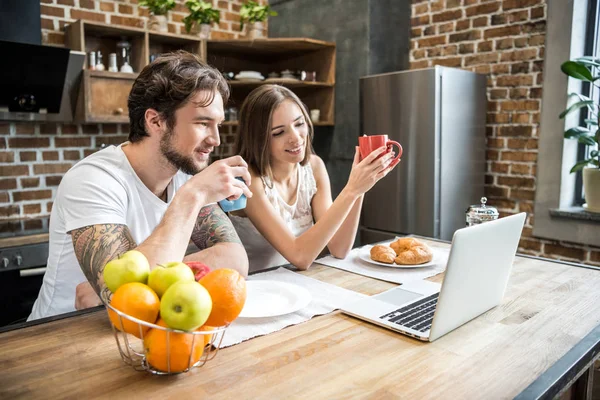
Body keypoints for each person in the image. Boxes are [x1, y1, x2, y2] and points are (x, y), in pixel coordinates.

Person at [28, 51, 252, 320]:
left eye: (217, 124)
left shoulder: (183, 176)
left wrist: (125, 286)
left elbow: (236, 262)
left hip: (137, 333)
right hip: (60, 336)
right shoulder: (93, 179)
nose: (215, 139)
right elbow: (123, 302)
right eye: (203, 123)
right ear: (155, 121)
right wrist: (194, 194)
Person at [230, 85, 398, 273]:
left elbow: (339, 247)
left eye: (299, 124)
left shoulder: (314, 167)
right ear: (258, 138)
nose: (295, 138)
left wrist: (360, 187)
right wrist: (351, 189)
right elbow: (300, 257)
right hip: (256, 290)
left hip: (299, 284)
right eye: (278, 132)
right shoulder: (249, 180)